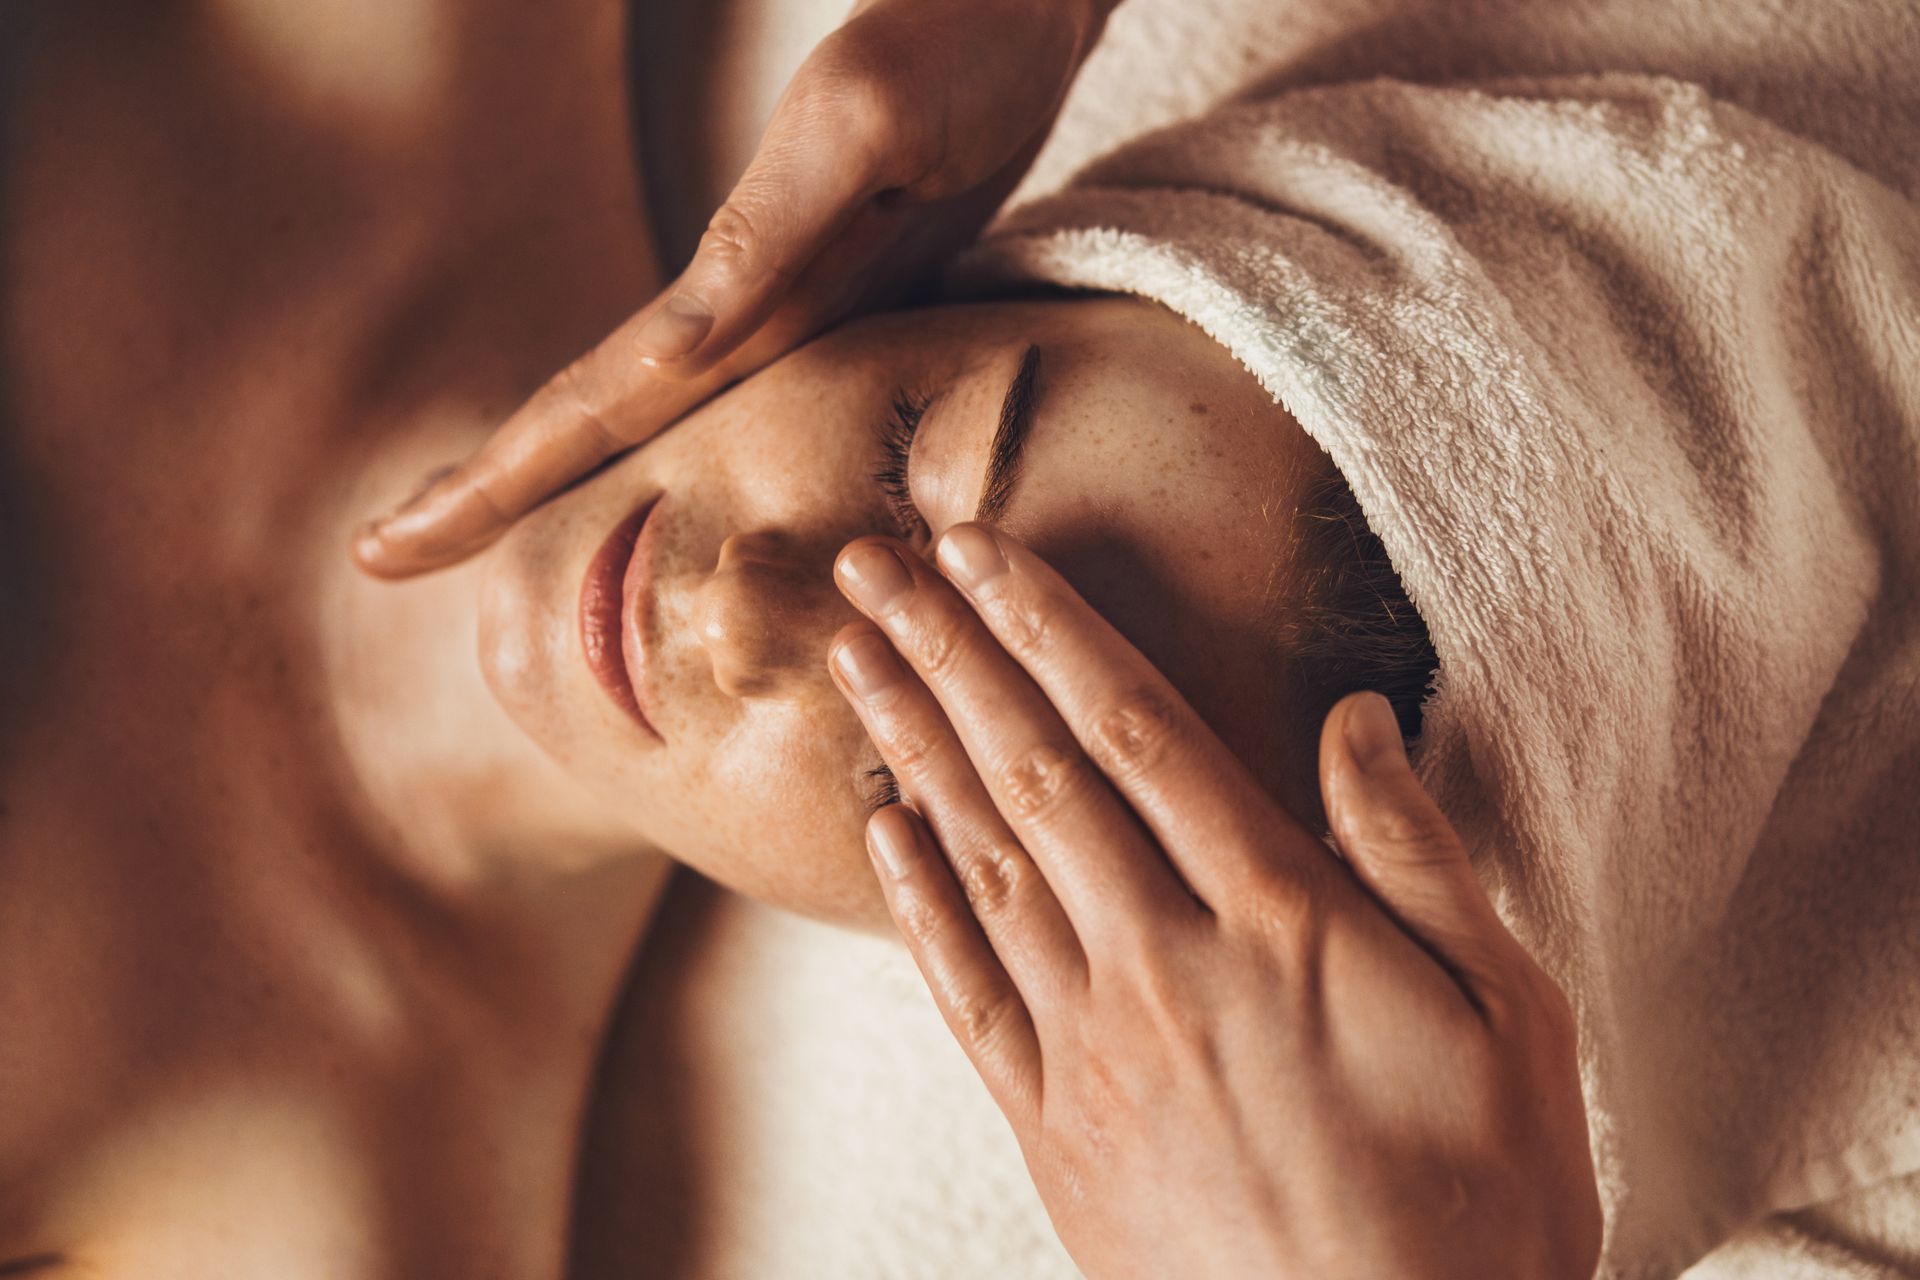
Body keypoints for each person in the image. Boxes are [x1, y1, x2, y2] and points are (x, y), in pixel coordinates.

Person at [4, 0, 1573, 1274]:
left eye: (947, 751)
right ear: (957, 281)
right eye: (915, 456)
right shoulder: (365, 47)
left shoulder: (323, 1204)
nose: (741, 612)